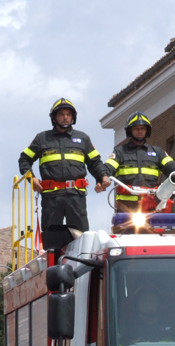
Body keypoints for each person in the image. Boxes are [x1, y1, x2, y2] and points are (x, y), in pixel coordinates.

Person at [18, 98, 110, 241]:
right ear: (54, 117)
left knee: (82, 238)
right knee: (52, 238)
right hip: (51, 198)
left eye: (68, 114)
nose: (65, 117)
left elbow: (95, 162)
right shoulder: (42, 138)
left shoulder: (83, 138)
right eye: (61, 114)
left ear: (73, 117)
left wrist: (102, 177)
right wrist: (31, 178)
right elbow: (24, 159)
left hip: (76, 196)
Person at [100, 112, 175, 217]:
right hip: (126, 209)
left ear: (147, 130)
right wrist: (103, 178)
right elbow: (107, 168)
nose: (140, 131)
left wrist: (168, 190)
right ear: (130, 131)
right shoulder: (120, 152)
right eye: (136, 128)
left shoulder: (157, 153)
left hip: (152, 208)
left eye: (143, 128)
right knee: (123, 233)